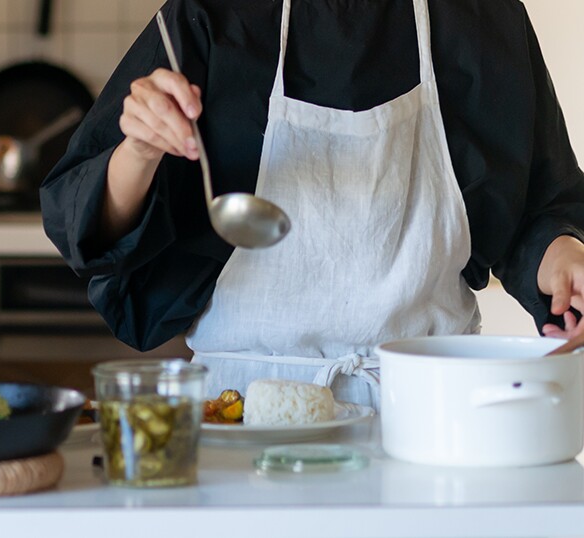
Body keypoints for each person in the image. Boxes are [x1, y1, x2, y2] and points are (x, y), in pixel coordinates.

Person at [40, 0, 584, 408]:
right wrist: (139, 149)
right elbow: (86, 222)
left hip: (431, 408)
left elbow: (538, 206)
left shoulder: (479, 15)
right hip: (243, 414)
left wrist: (562, 254)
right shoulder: (212, 13)